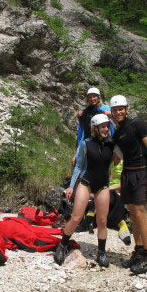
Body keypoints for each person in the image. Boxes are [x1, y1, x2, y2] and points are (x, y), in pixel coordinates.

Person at [55, 114, 120, 268]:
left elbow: (116, 160)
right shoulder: (86, 143)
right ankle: (62, 245)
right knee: (76, 217)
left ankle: (101, 253)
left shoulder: (112, 144)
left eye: (107, 126)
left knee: (102, 221)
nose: (106, 129)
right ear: (95, 128)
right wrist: (71, 186)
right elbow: (78, 166)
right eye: (103, 126)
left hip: (103, 185)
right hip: (86, 183)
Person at [109, 95, 147, 275]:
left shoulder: (137, 124)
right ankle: (138, 252)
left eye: (121, 108)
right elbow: (115, 151)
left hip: (140, 172)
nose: (118, 112)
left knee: (140, 212)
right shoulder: (118, 131)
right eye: (115, 110)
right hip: (127, 173)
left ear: (127, 109)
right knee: (133, 213)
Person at [71, 87, 112, 175]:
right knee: (75, 161)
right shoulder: (86, 111)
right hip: (87, 139)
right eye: (90, 97)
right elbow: (83, 126)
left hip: (101, 140)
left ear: (98, 97)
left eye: (94, 96)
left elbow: (115, 117)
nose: (92, 99)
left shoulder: (104, 108)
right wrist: (78, 114)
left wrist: (109, 113)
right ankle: (73, 182)